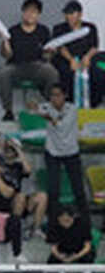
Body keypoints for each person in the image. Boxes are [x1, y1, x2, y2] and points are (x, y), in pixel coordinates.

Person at [32, 84, 89, 222]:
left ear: (65, 96)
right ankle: (53, 223)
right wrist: (33, 107)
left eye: (58, 95)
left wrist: (47, 117)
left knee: (78, 190)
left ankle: (85, 222)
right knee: (53, 190)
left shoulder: (72, 109)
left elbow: (61, 125)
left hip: (71, 152)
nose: (54, 98)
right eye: (52, 95)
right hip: (52, 152)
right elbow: (34, 109)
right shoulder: (46, 107)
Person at [0, 0, 59, 121]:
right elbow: (7, 55)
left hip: (38, 66)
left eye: (34, 11)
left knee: (52, 72)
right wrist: (5, 41)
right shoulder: (13, 31)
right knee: (4, 73)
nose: (30, 14)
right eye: (27, 11)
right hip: (16, 66)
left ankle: (50, 108)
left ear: (38, 15)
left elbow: (46, 56)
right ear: (23, 12)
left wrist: (51, 53)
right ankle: (8, 111)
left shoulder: (44, 31)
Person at [50, 0, 102, 107]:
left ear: (80, 14)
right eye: (67, 14)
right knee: (65, 70)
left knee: (97, 70)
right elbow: (60, 47)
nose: (69, 17)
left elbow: (94, 46)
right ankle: (70, 103)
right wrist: (71, 60)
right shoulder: (59, 28)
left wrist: (87, 57)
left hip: (86, 57)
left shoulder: (90, 28)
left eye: (72, 13)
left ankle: (94, 102)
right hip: (67, 57)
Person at [44, 206, 94, 273]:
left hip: (80, 251)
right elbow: (54, 247)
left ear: (73, 218)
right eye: (62, 220)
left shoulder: (83, 224)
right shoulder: (54, 226)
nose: (65, 222)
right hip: (62, 251)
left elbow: (87, 246)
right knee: (51, 261)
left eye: (67, 220)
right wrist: (59, 256)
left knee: (89, 261)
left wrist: (76, 256)